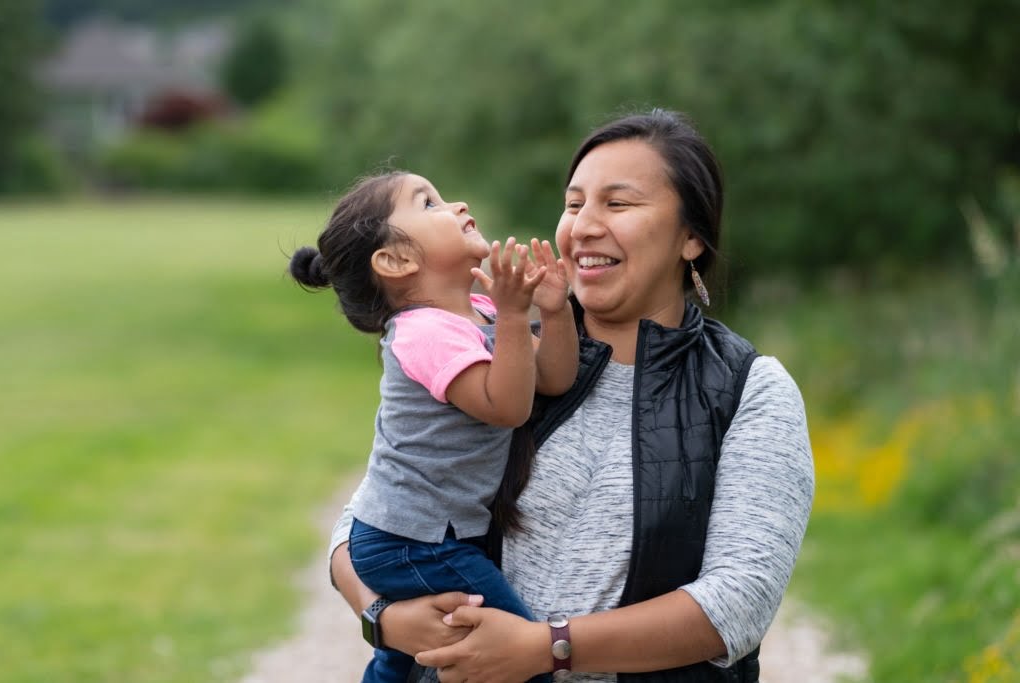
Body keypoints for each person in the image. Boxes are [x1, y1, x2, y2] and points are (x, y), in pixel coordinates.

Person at [329, 109, 815, 683]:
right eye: (575, 203)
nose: (583, 225)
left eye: (618, 203)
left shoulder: (748, 389)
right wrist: (383, 619)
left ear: (691, 237)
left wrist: (546, 647)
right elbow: (370, 515)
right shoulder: (507, 356)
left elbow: (738, 603)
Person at [290, 171, 578, 682]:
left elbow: (552, 379)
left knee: (404, 659)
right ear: (397, 260)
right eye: (428, 203)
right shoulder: (423, 332)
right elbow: (506, 406)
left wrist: (552, 314)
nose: (457, 203)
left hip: (428, 535)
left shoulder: (482, 312)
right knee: (517, 650)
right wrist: (516, 319)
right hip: (409, 541)